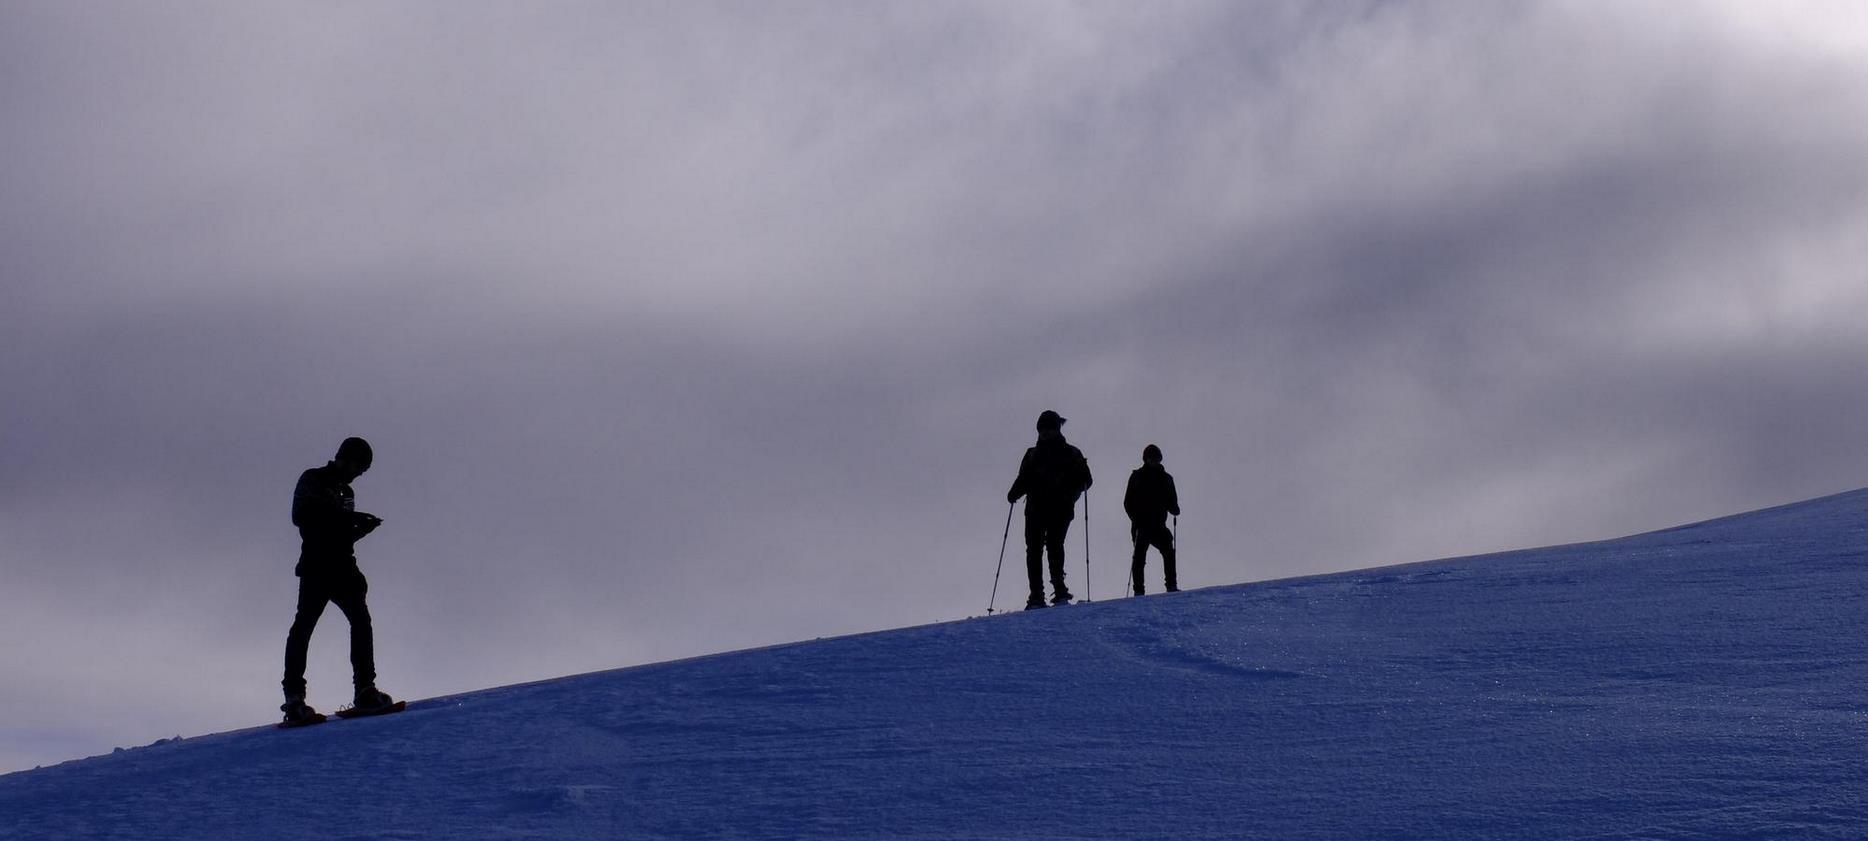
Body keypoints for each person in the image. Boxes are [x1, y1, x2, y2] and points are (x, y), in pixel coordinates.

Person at [280, 436, 395, 724]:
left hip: (344, 567)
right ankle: (294, 699)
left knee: (360, 621)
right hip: (317, 567)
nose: (358, 475)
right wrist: (350, 520)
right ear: (347, 459)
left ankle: (365, 689)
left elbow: (341, 534)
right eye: (359, 468)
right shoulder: (313, 479)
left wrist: (360, 528)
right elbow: (304, 518)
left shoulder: (346, 491)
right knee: (304, 626)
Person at [1007, 410, 1092, 609]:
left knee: (1049, 546)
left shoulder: (1066, 453)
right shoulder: (1039, 454)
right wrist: (1014, 493)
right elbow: (1023, 479)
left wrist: (1070, 490)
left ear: (1056, 429)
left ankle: (1050, 590)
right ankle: (1040, 592)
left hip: (1057, 508)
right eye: (1042, 429)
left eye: (1049, 429)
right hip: (1040, 508)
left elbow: (1086, 480)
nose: (1045, 433)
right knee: (1037, 549)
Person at [1123, 444, 1180, 595]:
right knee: (1139, 557)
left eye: (1156, 459)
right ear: (1146, 459)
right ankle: (1139, 590)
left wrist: (1174, 508)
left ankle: (1171, 585)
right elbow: (1128, 502)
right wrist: (1136, 518)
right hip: (1141, 524)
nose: (1153, 461)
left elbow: (1172, 500)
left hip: (1158, 524)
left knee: (1168, 551)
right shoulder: (1137, 477)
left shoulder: (1166, 479)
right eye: (1151, 458)